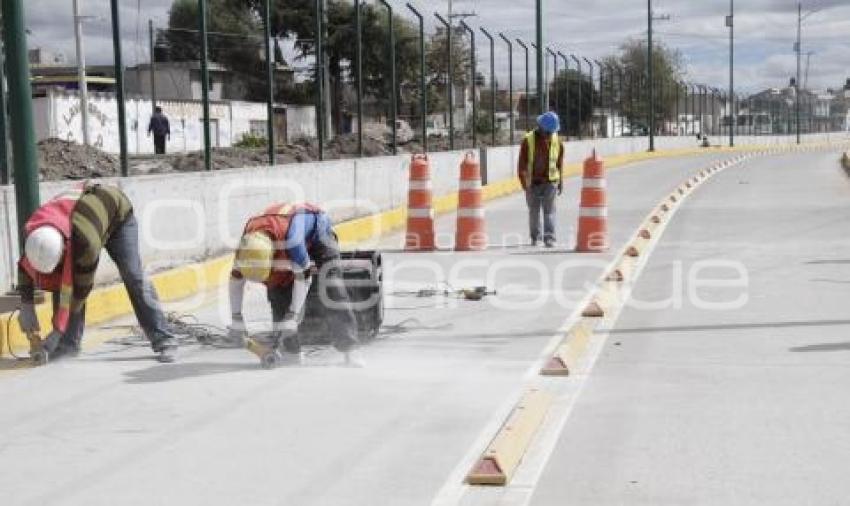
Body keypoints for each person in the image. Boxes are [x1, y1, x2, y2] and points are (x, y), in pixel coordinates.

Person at [17, 184, 179, 362]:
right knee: (60, 280)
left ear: (64, 248)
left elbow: (79, 291)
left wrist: (58, 330)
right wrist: (26, 304)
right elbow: (25, 266)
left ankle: (164, 338)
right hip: (82, 214)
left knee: (133, 275)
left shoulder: (85, 242)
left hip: (118, 217)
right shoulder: (35, 235)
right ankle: (67, 347)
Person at [227, 203, 360, 365]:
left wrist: (293, 316)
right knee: (278, 291)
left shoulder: (293, 242)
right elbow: (235, 281)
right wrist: (236, 319)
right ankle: (292, 352)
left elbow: (304, 278)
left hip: (317, 232)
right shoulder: (246, 249)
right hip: (280, 235)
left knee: (331, 286)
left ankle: (350, 349)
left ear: (272, 258)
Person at [518, 111, 565, 247]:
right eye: (548, 132)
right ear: (541, 128)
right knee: (534, 211)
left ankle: (549, 238)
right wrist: (525, 184)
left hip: (550, 182)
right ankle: (535, 237)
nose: (550, 135)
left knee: (549, 211)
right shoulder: (528, 140)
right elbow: (521, 164)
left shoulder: (557, 141)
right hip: (532, 183)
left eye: (552, 132)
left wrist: (561, 181)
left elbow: (559, 162)